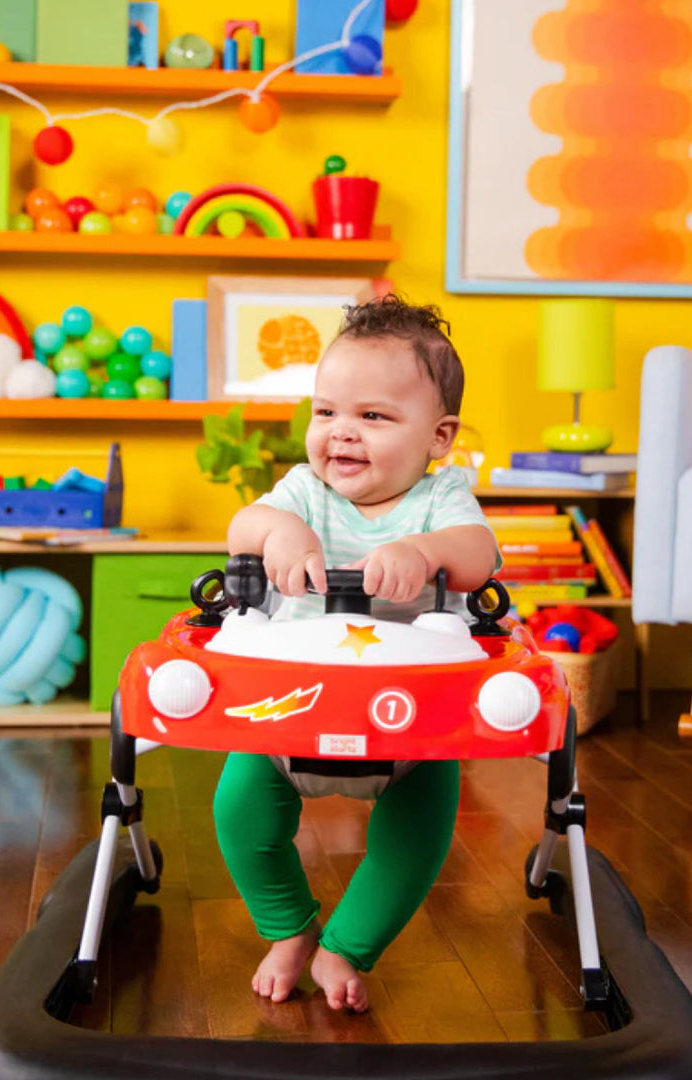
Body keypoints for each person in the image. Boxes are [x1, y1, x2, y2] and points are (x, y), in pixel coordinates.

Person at [213, 294, 500, 1013]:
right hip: (291, 711)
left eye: (373, 416)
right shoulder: (303, 494)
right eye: (326, 412)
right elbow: (243, 525)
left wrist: (424, 551)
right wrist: (278, 535)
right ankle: (289, 927)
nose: (342, 433)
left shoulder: (441, 501)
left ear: (439, 437)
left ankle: (349, 944)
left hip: (411, 725)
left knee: (419, 837)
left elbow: (480, 555)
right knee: (239, 812)